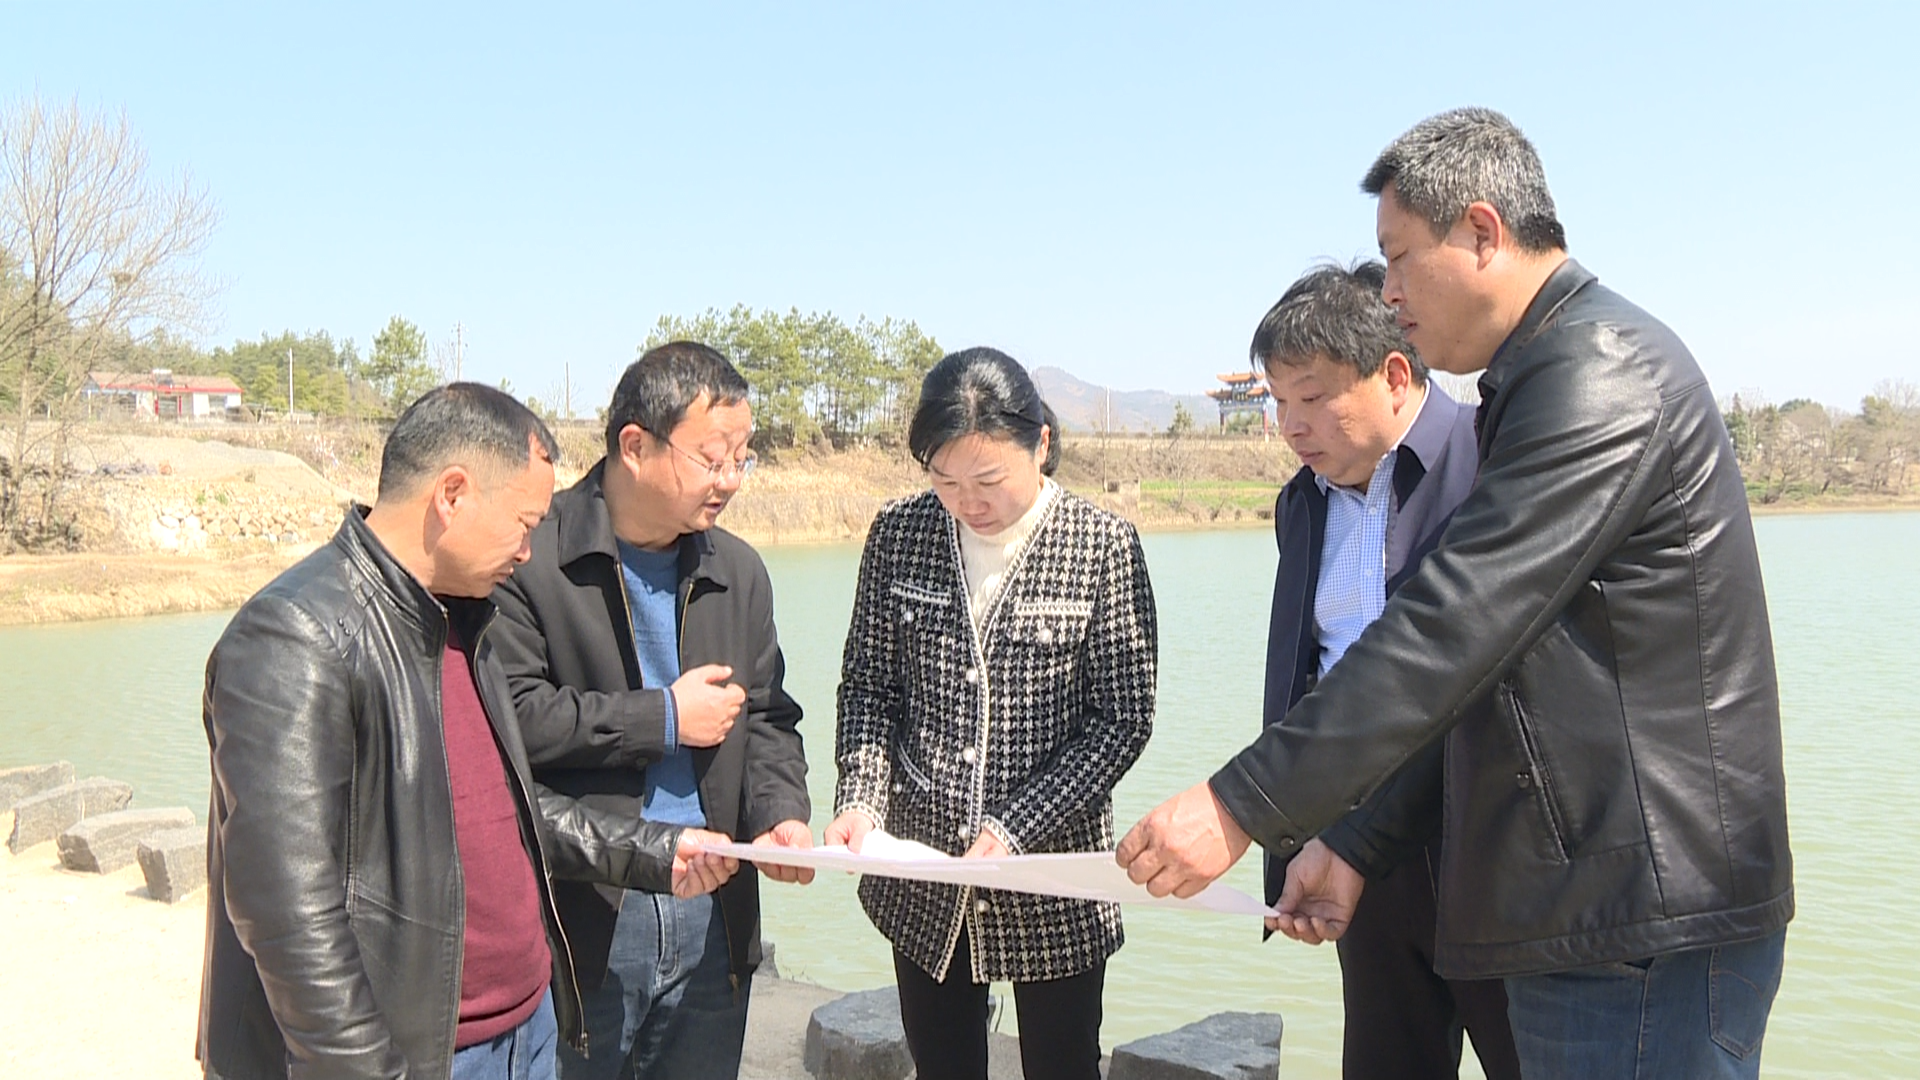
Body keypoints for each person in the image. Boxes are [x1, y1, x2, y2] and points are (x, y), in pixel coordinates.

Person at [1118, 107, 1793, 1080]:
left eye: (1399, 258)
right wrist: (1355, 841)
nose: (1389, 293)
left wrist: (1238, 803)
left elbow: (1451, 627)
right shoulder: (1542, 376)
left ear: (1482, 232)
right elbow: (1482, 672)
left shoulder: (1596, 373)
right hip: (1591, 903)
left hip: (1641, 918)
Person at [199, 383, 739, 1080]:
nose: (529, 552)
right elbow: (288, 914)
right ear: (452, 495)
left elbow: (504, 810)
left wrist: (655, 851)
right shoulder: (298, 637)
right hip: (419, 1052)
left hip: (525, 1029)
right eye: (523, 524)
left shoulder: (462, 620)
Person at [825, 347, 1157, 1080]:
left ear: (1040, 445)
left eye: (988, 481)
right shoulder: (899, 535)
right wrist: (860, 801)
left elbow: (1122, 719)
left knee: (1064, 1064)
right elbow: (869, 687)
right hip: (924, 873)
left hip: (1054, 874)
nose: (968, 502)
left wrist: (1014, 828)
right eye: (944, 481)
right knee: (943, 1065)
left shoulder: (1102, 546)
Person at [490, 342, 813, 1080]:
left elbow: (767, 716)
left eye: (743, 459)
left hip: (715, 903)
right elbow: (510, 721)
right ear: (634, 446)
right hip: (589, 909)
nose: (731, 480)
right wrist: (663, 718)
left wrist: (779, 814)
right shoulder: (529, 557)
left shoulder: (738, 570)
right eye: (712, 460)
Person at [1250, 261, 1519, 1080]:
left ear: (1395, 375)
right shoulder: (1302, 503)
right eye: (1277, 401)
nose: (1291, 426)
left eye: (1311, 397)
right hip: (1355, 852)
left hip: (1493, 850)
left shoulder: (1495, 461)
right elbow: (1304, 674)